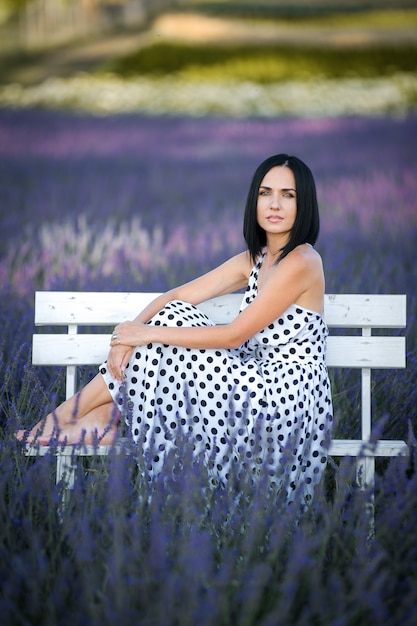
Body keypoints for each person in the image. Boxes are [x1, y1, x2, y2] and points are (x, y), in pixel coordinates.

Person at [17, 154, 333, 501]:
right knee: (173, 312)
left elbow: (234, 335)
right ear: (253, 200)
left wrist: (146, 334)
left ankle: (73, 418)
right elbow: (178, 294)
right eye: (265, 193)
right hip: (252, 384)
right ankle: (99, 417)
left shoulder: (302, 261)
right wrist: (128, 335)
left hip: (285, 401)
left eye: (288, 195)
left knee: (165, 327)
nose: (274, 204)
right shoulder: (256, 259)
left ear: (304, 204)